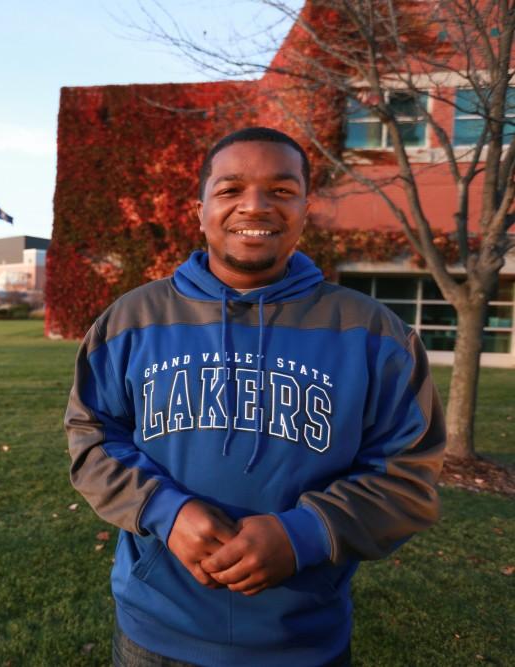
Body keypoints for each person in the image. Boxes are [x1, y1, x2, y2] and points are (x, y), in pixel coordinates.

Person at [65, 127, 445, 667]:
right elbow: (92, 439)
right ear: (200, 209)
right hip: (156, 633)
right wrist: (163, 510)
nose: (255, 206)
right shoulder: (130, 321)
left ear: (305, 208)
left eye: (281, 191)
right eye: (231, 189)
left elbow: (410, 477)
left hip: (301, 640)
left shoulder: (374, 334)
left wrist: (306, 534)